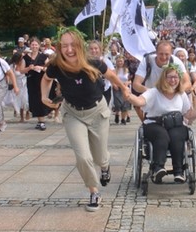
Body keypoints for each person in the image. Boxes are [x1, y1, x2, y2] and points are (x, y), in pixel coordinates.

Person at [41, 27, 130, 212]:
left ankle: (105, 167)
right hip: (72, 113)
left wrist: (123, 88)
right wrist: (43, 96)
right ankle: (94, 191)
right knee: (83, 157)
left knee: (99, 156)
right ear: (59, 47)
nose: (69, 49)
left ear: (80, 45)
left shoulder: (93, 62)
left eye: (73, 45)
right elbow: (46, 79)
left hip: (97, 112)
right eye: (64, 45)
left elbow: (111, 75)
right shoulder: (56, 65)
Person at [126, 65, 196, 183]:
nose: (173, 80)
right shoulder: (154, 92)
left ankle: (178, 171)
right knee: (162, 135)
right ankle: (158, 168)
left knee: (177, 136)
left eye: (176, 77)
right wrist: (129, 96)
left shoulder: (181, 94)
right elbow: (140, 101)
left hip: (175, 125)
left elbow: (188, 114)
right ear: (164, 78)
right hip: (154, 124)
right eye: (170, 77)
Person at [20, 37, 51, 130]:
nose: (34, 46)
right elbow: (21, 70)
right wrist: (29, 68)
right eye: (32, 44)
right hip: (31, 81)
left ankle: (41, 121)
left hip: (42, 81)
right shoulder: (25, 58)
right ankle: (40, 120)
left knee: (41, 98)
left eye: (36, 44)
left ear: (39, 45)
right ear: (30, 45)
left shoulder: (43, 57)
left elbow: (49, 68)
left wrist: (41, 68)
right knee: (34, 100)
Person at [112, 55, 131, 125]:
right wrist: (114, 84)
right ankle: (117, 114)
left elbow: (131, 80)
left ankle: (123, 119)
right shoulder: (114, 70)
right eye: (118, 61)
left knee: (125, 104)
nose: (120, 63)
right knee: (118, 104)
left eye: (121, 61)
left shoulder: (127, 70)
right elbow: (111, 79)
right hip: (117, 88)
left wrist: (127, 82)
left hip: (125, 88)